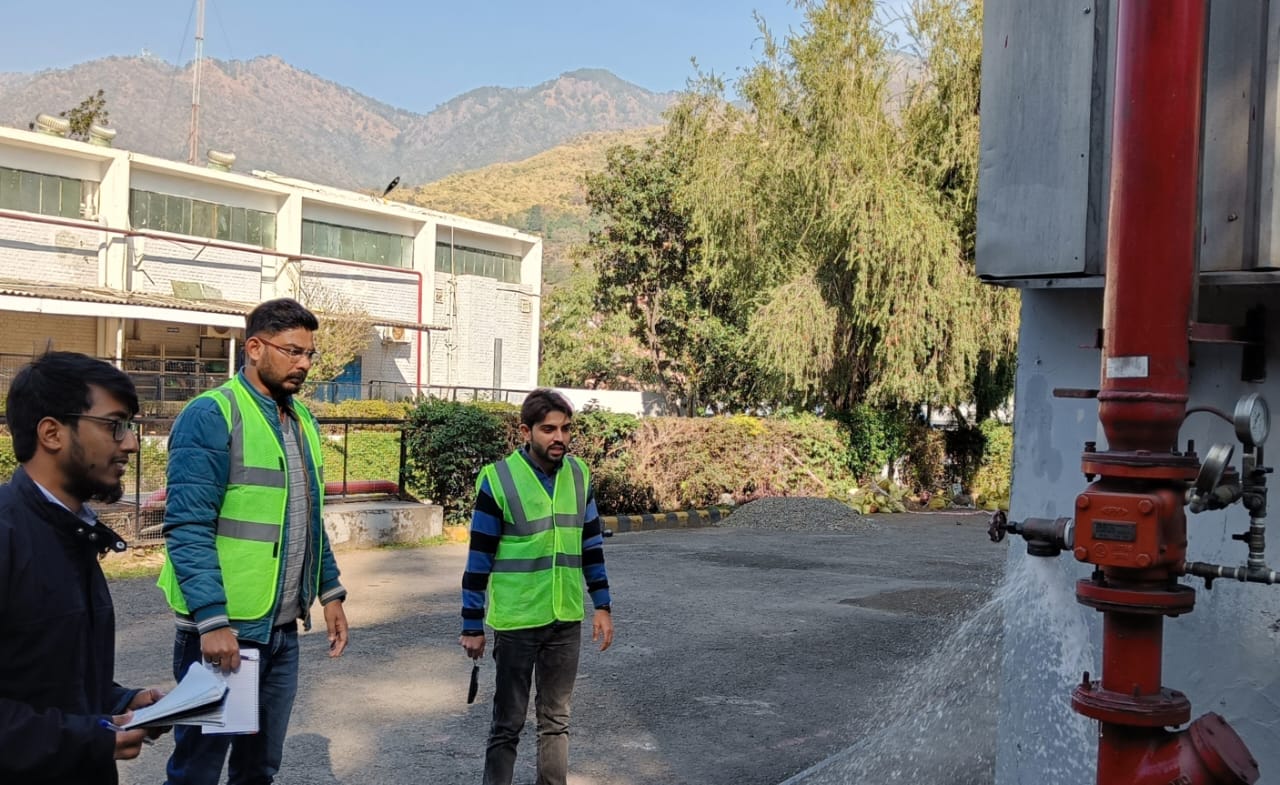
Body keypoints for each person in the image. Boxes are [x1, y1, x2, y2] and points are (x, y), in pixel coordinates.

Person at [157, 298, 350, 785]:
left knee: (258, 768)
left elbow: (307, 517)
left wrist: (331, 593)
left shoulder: (301, 420)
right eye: (292, 351)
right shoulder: (213, 414)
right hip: (226, 636)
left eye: (310, 354)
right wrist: (212, 621)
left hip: (281, 632)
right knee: (197, 771)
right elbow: (188, 527)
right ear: (255, 348)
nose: (304, 363)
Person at [0, 351, 166, 784]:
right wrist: (89, 738)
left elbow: (44, 677)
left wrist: (123, 701)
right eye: (115, 425)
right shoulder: (6, 534)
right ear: (52, 433)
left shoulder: (73, 532)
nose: (130, 443)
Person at [459, 388, 615, 785]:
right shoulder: (499, 480)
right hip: (516, 620)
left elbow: (591, 546)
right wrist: (472, 624)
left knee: (556, 722)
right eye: (549, 429)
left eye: (565, 428)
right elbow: (479, 559)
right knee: (507, 723)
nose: (559, 437)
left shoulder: (580, 476)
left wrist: (602, 604)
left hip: (566, 618)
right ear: (526, 431)